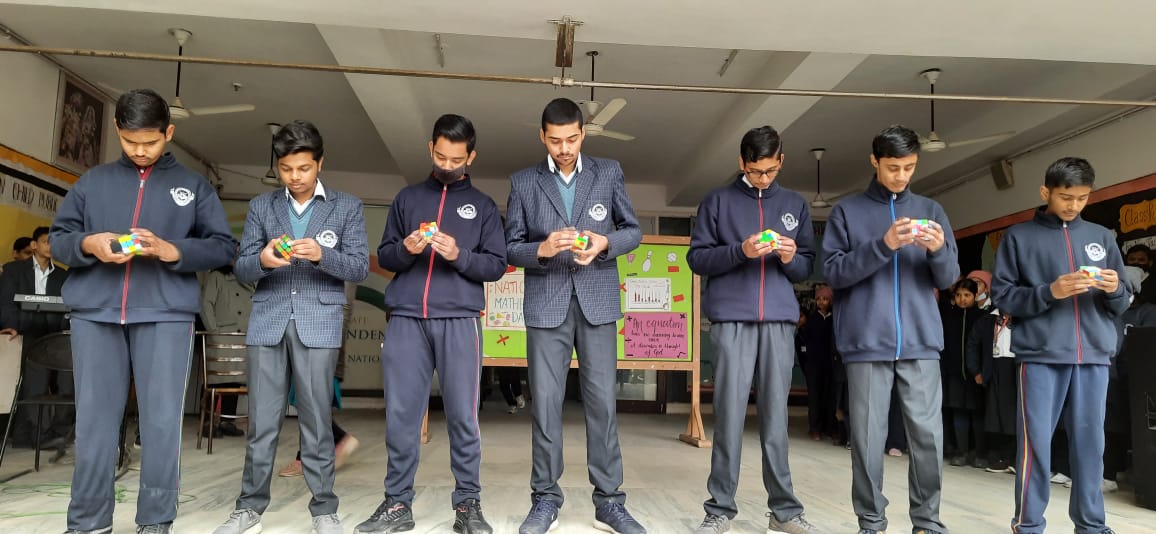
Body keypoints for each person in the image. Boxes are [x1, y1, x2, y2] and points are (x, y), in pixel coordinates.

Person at [50, 88, 236, 534]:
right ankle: (87, 522)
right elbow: (58, 240)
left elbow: (223, 247)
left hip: (165, 313)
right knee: (94, 422)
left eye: (150, 142)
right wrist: (88, 244)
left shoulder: (193, 187)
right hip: (95, 312)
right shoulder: (92, 182)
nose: (139, 150)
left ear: (168, 133)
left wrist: (172, 250)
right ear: (117, 130)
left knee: (161, 423)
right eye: (130, 141)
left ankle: (155, 520)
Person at [214, 120, 368, 534]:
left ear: (320, 163)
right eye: (286, 169)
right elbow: (243, 268)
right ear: (277, 165)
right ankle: (249, 509)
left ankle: (324, 510)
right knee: (261, 423)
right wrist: (263, 260)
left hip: (319, 322)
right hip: (268, 321)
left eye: (304, 168)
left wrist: (322, 255)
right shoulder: (262, 207)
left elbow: (359, 267)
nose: (295, 177)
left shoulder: (347, 206)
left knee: (316, 422)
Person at [355, 114, 507, 534]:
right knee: (401, 416)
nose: (447, 165)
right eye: (441, 156)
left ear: (471, 157)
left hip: (459, 319)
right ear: (430, 149)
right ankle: (397, 504)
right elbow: (386, 256)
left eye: (456, 159)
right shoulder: (407, 199)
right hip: (406, 318)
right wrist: (405, 249)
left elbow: (496, 265)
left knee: (463, 417)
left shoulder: (483, 207)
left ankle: (468, 505)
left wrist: (458, 255)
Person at [505, 97, 644, 534]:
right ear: (542, 137)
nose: (564, 148)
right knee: (546, 406)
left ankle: (610, 502)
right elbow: (510, 248)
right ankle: (545, 499)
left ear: (583, 134)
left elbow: (633, 231)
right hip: (546, 305)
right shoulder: (523, 182)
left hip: (597, 303)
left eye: (571, 139)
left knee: (602, 405)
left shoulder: (608, 172)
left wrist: (605, 244)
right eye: (555, 140)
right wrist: (542, 249)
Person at [822, 125, 958, 534]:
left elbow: (948, 278)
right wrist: (884, 245)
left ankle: (927, 522)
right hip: (866, 342)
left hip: (921, 342)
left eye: (909, 167)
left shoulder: (932, 210)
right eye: (893, 167)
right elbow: (834, 273)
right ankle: (871, 520)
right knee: (867, 440)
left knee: (928, 437)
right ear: (875, 162)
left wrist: (937, 250)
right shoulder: (847, 212)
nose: (901, 176)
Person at [687, 125, 820, 534]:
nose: (764, 178)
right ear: (742, 163)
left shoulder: (794, 204)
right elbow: (697, 259)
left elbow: (806, 267)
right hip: (732, 320)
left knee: (777, 419)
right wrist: (740, 251)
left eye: (771, 170)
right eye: (756, 170)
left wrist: (790, 256)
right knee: (728, 417)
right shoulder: (718, 201)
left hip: (778, 322)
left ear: (781, 161)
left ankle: (785, 511)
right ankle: (719, 510)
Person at [991, 156, 1128, 534]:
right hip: (1041, 356)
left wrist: (1114, 288)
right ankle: (1028, 525)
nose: (1074, 205)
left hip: (1093, 356)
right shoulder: (1019, 237)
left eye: (1082, 198)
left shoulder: (1102, 237)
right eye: (1066, 197)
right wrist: (1049, 291)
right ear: (1045, 192)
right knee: (1035, 446)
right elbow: (1002, 297)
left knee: (1090, 448)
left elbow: (1121, 302)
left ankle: (1092, 526)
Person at [279, 281, 361, 477]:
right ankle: (327, 445)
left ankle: (316, 451)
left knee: (311, 395)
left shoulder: (342, 267)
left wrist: (335, 342)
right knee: (306, 395)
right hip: (308, 331)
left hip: (325, 336)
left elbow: (344, 305)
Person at [0, 226, 72, 447]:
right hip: (27, 332)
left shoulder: (62, 275)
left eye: (54, 243)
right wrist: (10, 325)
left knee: (67, 381)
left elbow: (67, 307)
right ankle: (32, 434)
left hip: (55, 334)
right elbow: (6, 302)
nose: (50, 246)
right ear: (34, 245)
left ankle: (60, 432)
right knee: (35, 383)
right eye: (46, 241)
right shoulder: (13, 270)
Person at [198, 260, 255, 438]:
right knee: (215, 379)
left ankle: (227, 421)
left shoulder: (249, 278)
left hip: (244, 335)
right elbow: (205, 304)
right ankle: (207, 422)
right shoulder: (216, 276)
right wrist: (213, 330)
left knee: (235, 378)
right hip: (222, 336)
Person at [965, 305, 1018, 474]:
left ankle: (1013, 458)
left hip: (1016, 369)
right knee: (993, 414)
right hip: (992, 369)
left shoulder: (1023, 318)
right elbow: (972, 344)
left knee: (1013, 414)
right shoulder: (987, 320)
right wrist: (975, 370)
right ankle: (996, 457)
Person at [941, 279, 982, 467]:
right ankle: (961, 451)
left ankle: (978, 453)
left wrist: (980, 370)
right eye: (958, 295)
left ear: (975, 295)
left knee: (977, 413)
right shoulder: (948, 317)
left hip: (976, 375)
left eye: (967, 295)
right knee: (958, 411)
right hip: (954, 374)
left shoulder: (982, 317)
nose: (962, 299)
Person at [803, 285, 836, 443]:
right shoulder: (812, 319)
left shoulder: (834, 319)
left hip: (830, 364)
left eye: (825, 299)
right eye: (819, 299)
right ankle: (815, 428)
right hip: (814, 365)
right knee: (814, 398)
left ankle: (828, 428)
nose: (821, 302)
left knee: (829, 396)